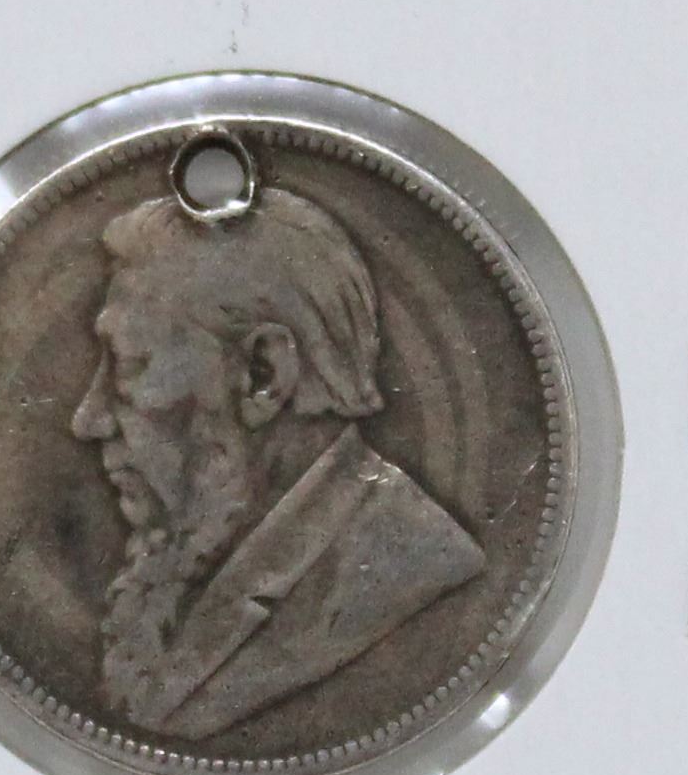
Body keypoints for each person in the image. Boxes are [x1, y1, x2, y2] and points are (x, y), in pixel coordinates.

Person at [71, 186, 484, 740]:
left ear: (263, 375)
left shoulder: (414, 574)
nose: (88, 418)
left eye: (128, 365)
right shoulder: (197, 558)